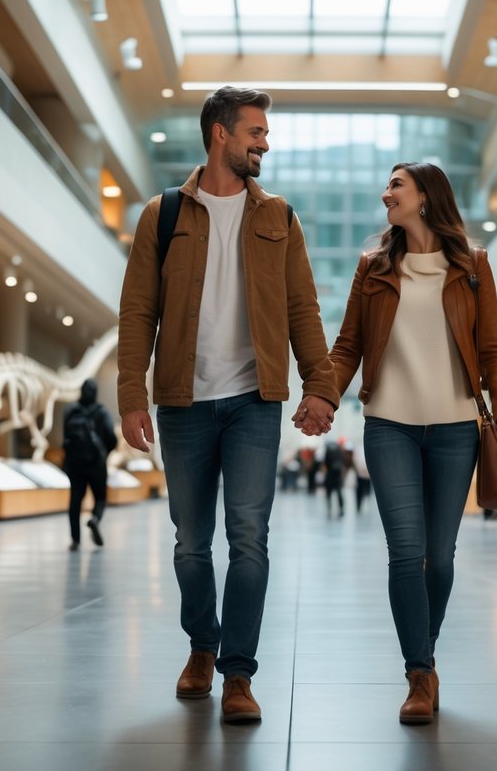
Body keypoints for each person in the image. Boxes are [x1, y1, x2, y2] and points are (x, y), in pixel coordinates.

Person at [117, 85, 338, 725]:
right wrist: (133, 393)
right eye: (255, 132)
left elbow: (303, 308)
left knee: (249, 539)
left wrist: (320, 386)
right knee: (191, 543)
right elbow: (138, 312)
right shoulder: (162, 215)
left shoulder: (279, 218)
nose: (264, 143)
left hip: (252, 403)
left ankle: (238, 672)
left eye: (264, 134)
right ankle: (201, 646)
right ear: (221, 134)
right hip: (183, 403)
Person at [328, 161, 497, 725]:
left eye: (396, 185)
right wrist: (322, 397)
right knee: (405, 553)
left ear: (425, 198)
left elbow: (493, 349)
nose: (385, 193)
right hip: (389, 423)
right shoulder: (373, 269)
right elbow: (348, 347)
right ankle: (419, 672)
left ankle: (426, 654)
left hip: (456, 427)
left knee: (440, 560)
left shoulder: (472, 267)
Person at [61, 378, 116, 551]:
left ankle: (75, 540)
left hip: (75, 464)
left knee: (75, 500)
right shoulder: (101, 412)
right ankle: (95, 519)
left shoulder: (71, 411)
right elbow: (111, 439)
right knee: (100, 497)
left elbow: (66, 438)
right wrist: (103, 453)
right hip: (96, 464)